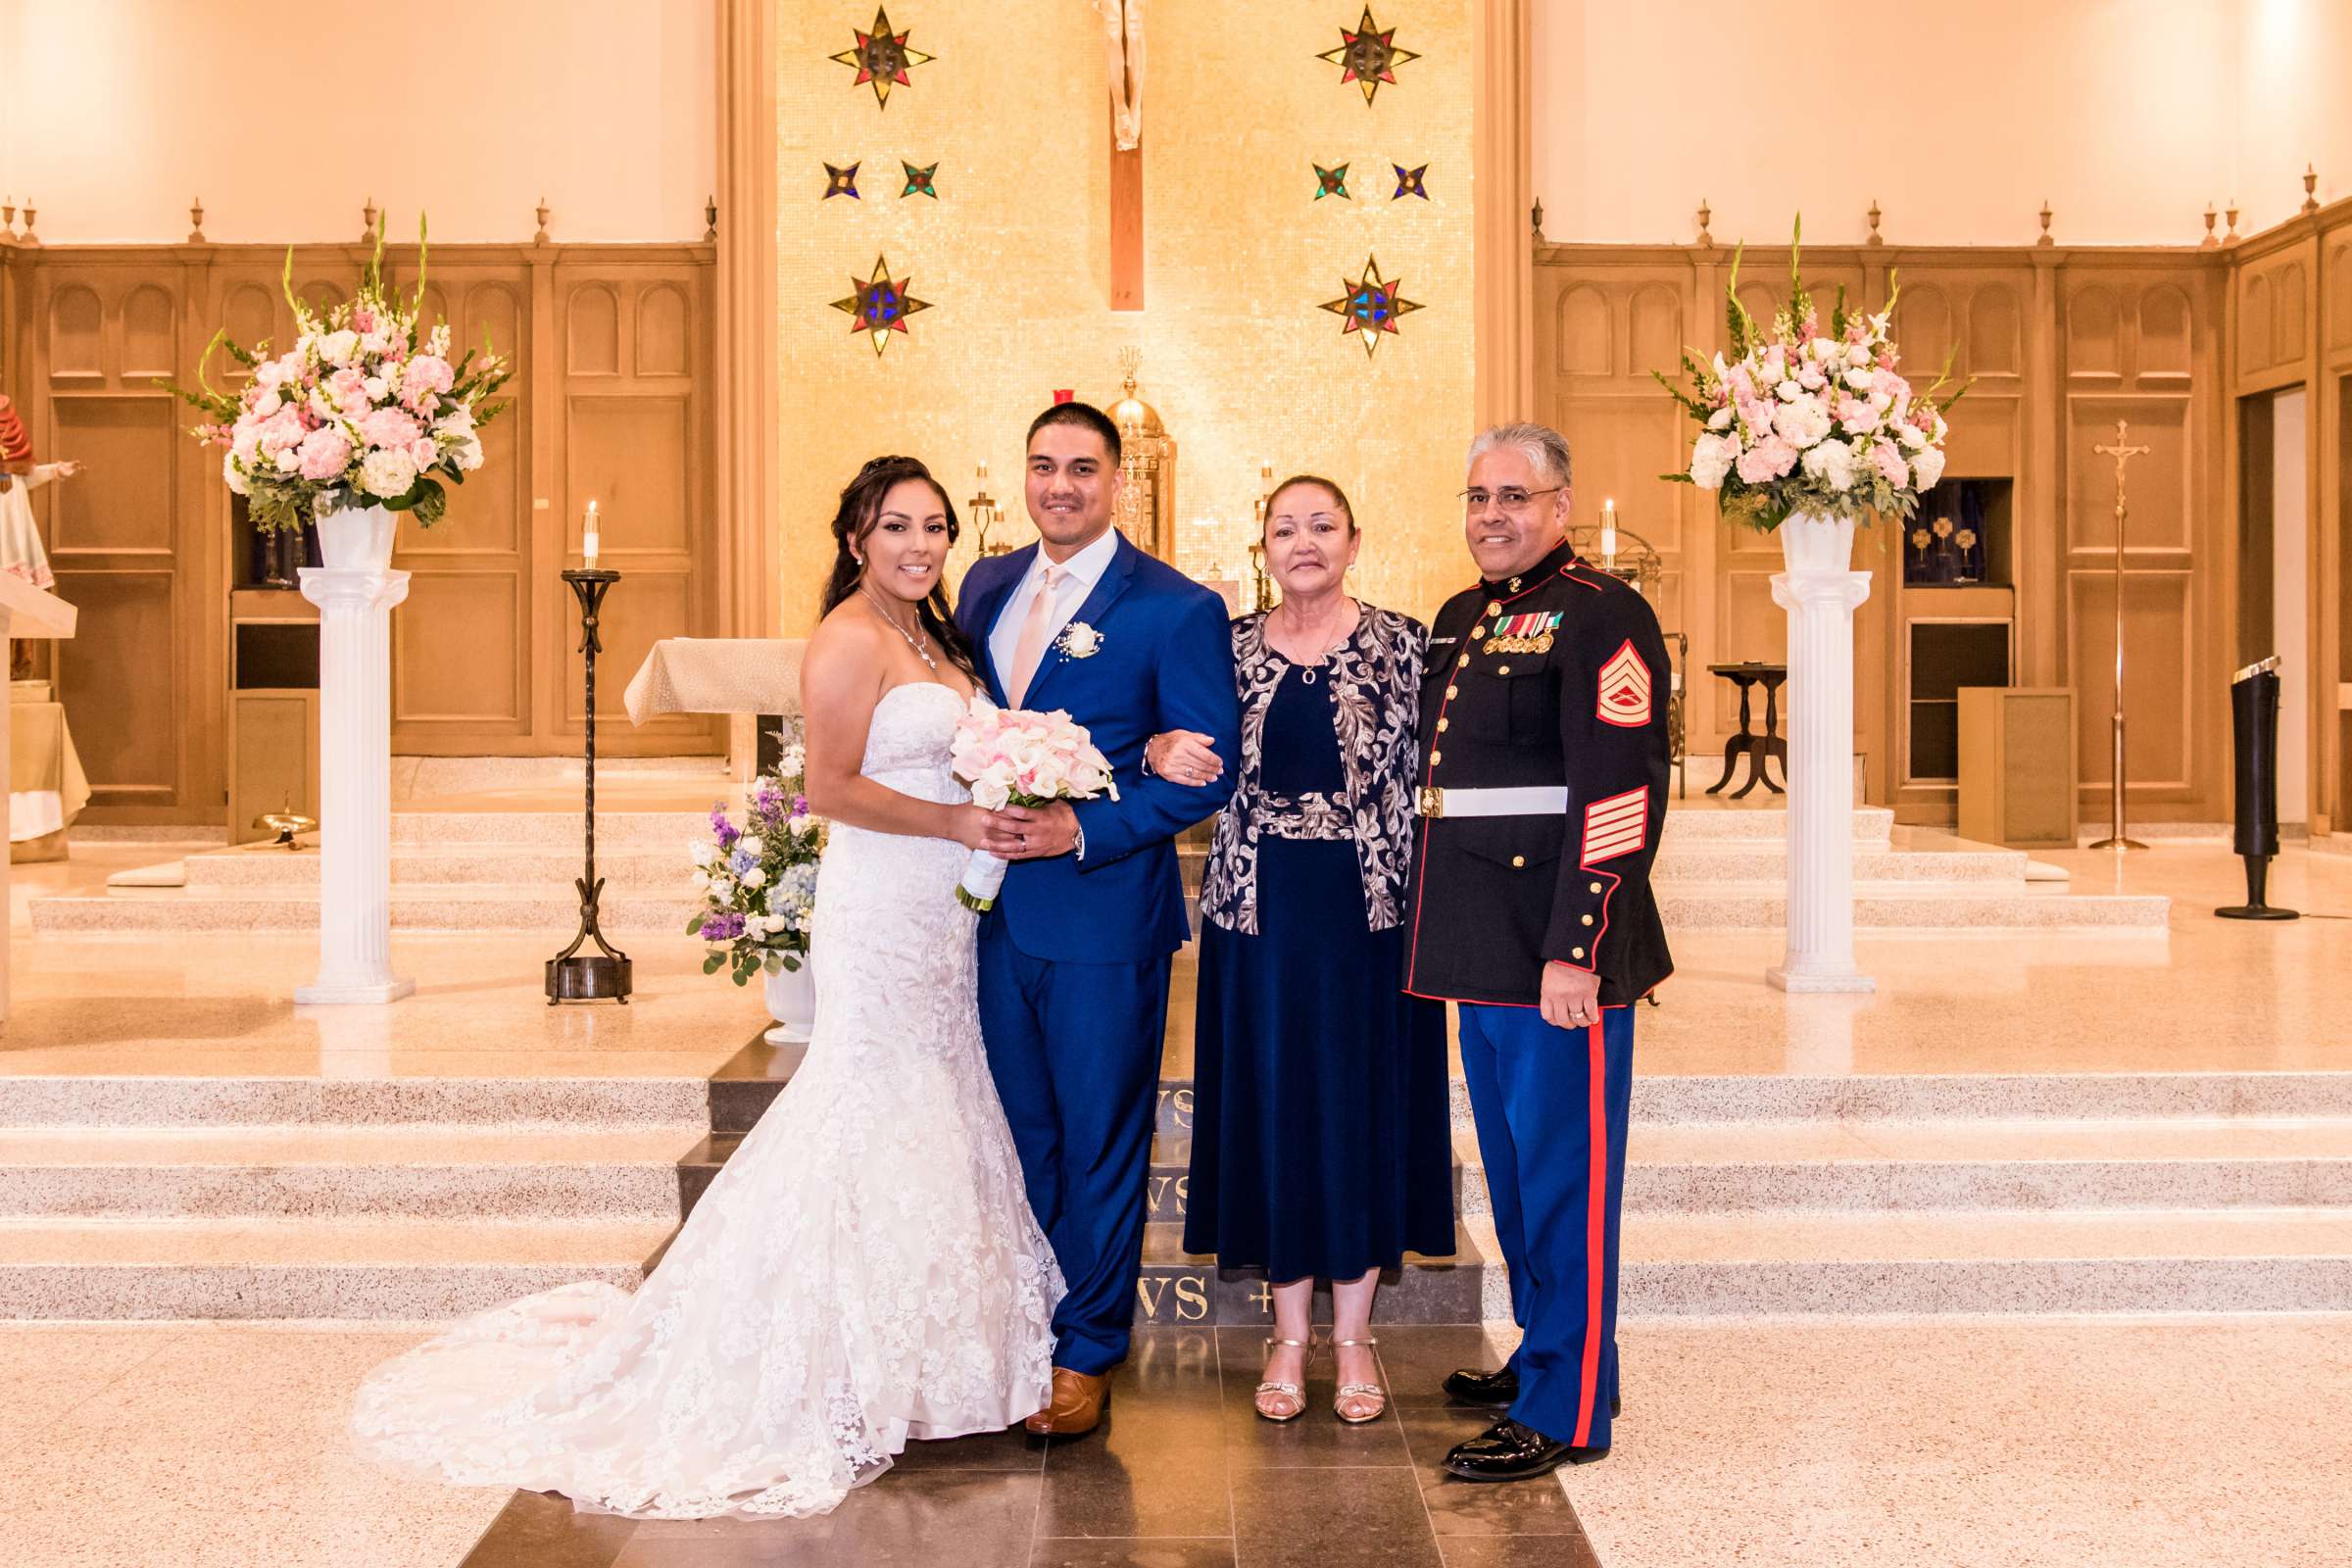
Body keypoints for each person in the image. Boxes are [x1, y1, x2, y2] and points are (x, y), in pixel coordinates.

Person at [353, 456, 1062, 1519]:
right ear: (855, 536)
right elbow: (830, 786)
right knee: (869, 1095)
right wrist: (961, 820)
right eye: (896, 526)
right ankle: (822, 1359)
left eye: (934, 528)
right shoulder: (847, 637)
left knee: (938, 1092)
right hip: (881, 899)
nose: (919, 545)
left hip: (940, 909)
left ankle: (917, 1363)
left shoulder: (934, 636)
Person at [954, 401, 1242, 1437]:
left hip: (1106, 917)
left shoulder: (1174, 607)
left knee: (1102, 1139)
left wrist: (1088, 822)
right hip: (992, 919)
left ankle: (1087, 1349)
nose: (1059, 486)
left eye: (1081, 468)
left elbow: (1207, 776)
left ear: (1117, 480)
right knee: (1019, 1132)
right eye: (1042, 466)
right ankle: (1030, 1321)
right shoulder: (985, 584)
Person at [1149, 474, 1451, 1424]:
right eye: (1286, 527)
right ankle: (1287, 1334)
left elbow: (1446, 768)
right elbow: (1175, 742)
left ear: (1354, 541)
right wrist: (1159, 746)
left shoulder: (1407, 644)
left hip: (1371, 918)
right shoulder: (1228, 645)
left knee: (1356, 1110)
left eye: (1322, 525)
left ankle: (1354, 1338)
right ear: (1264, 546)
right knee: (1277, 1109)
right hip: (1259, 914)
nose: (1304, 541)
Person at [1404, 422, 1672, 1482]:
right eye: (1477, 496)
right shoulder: (1466, 616)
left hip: (1562, 954)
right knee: (1516, 1178)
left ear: (1561, 506)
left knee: (1569, 1180)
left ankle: (1567, 1411)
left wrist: (1580, 947)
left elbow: (1617, 794)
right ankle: (1547, 1356)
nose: (1491, 515)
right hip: (1482, 947)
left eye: (1514, 496)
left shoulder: (1604, 612)